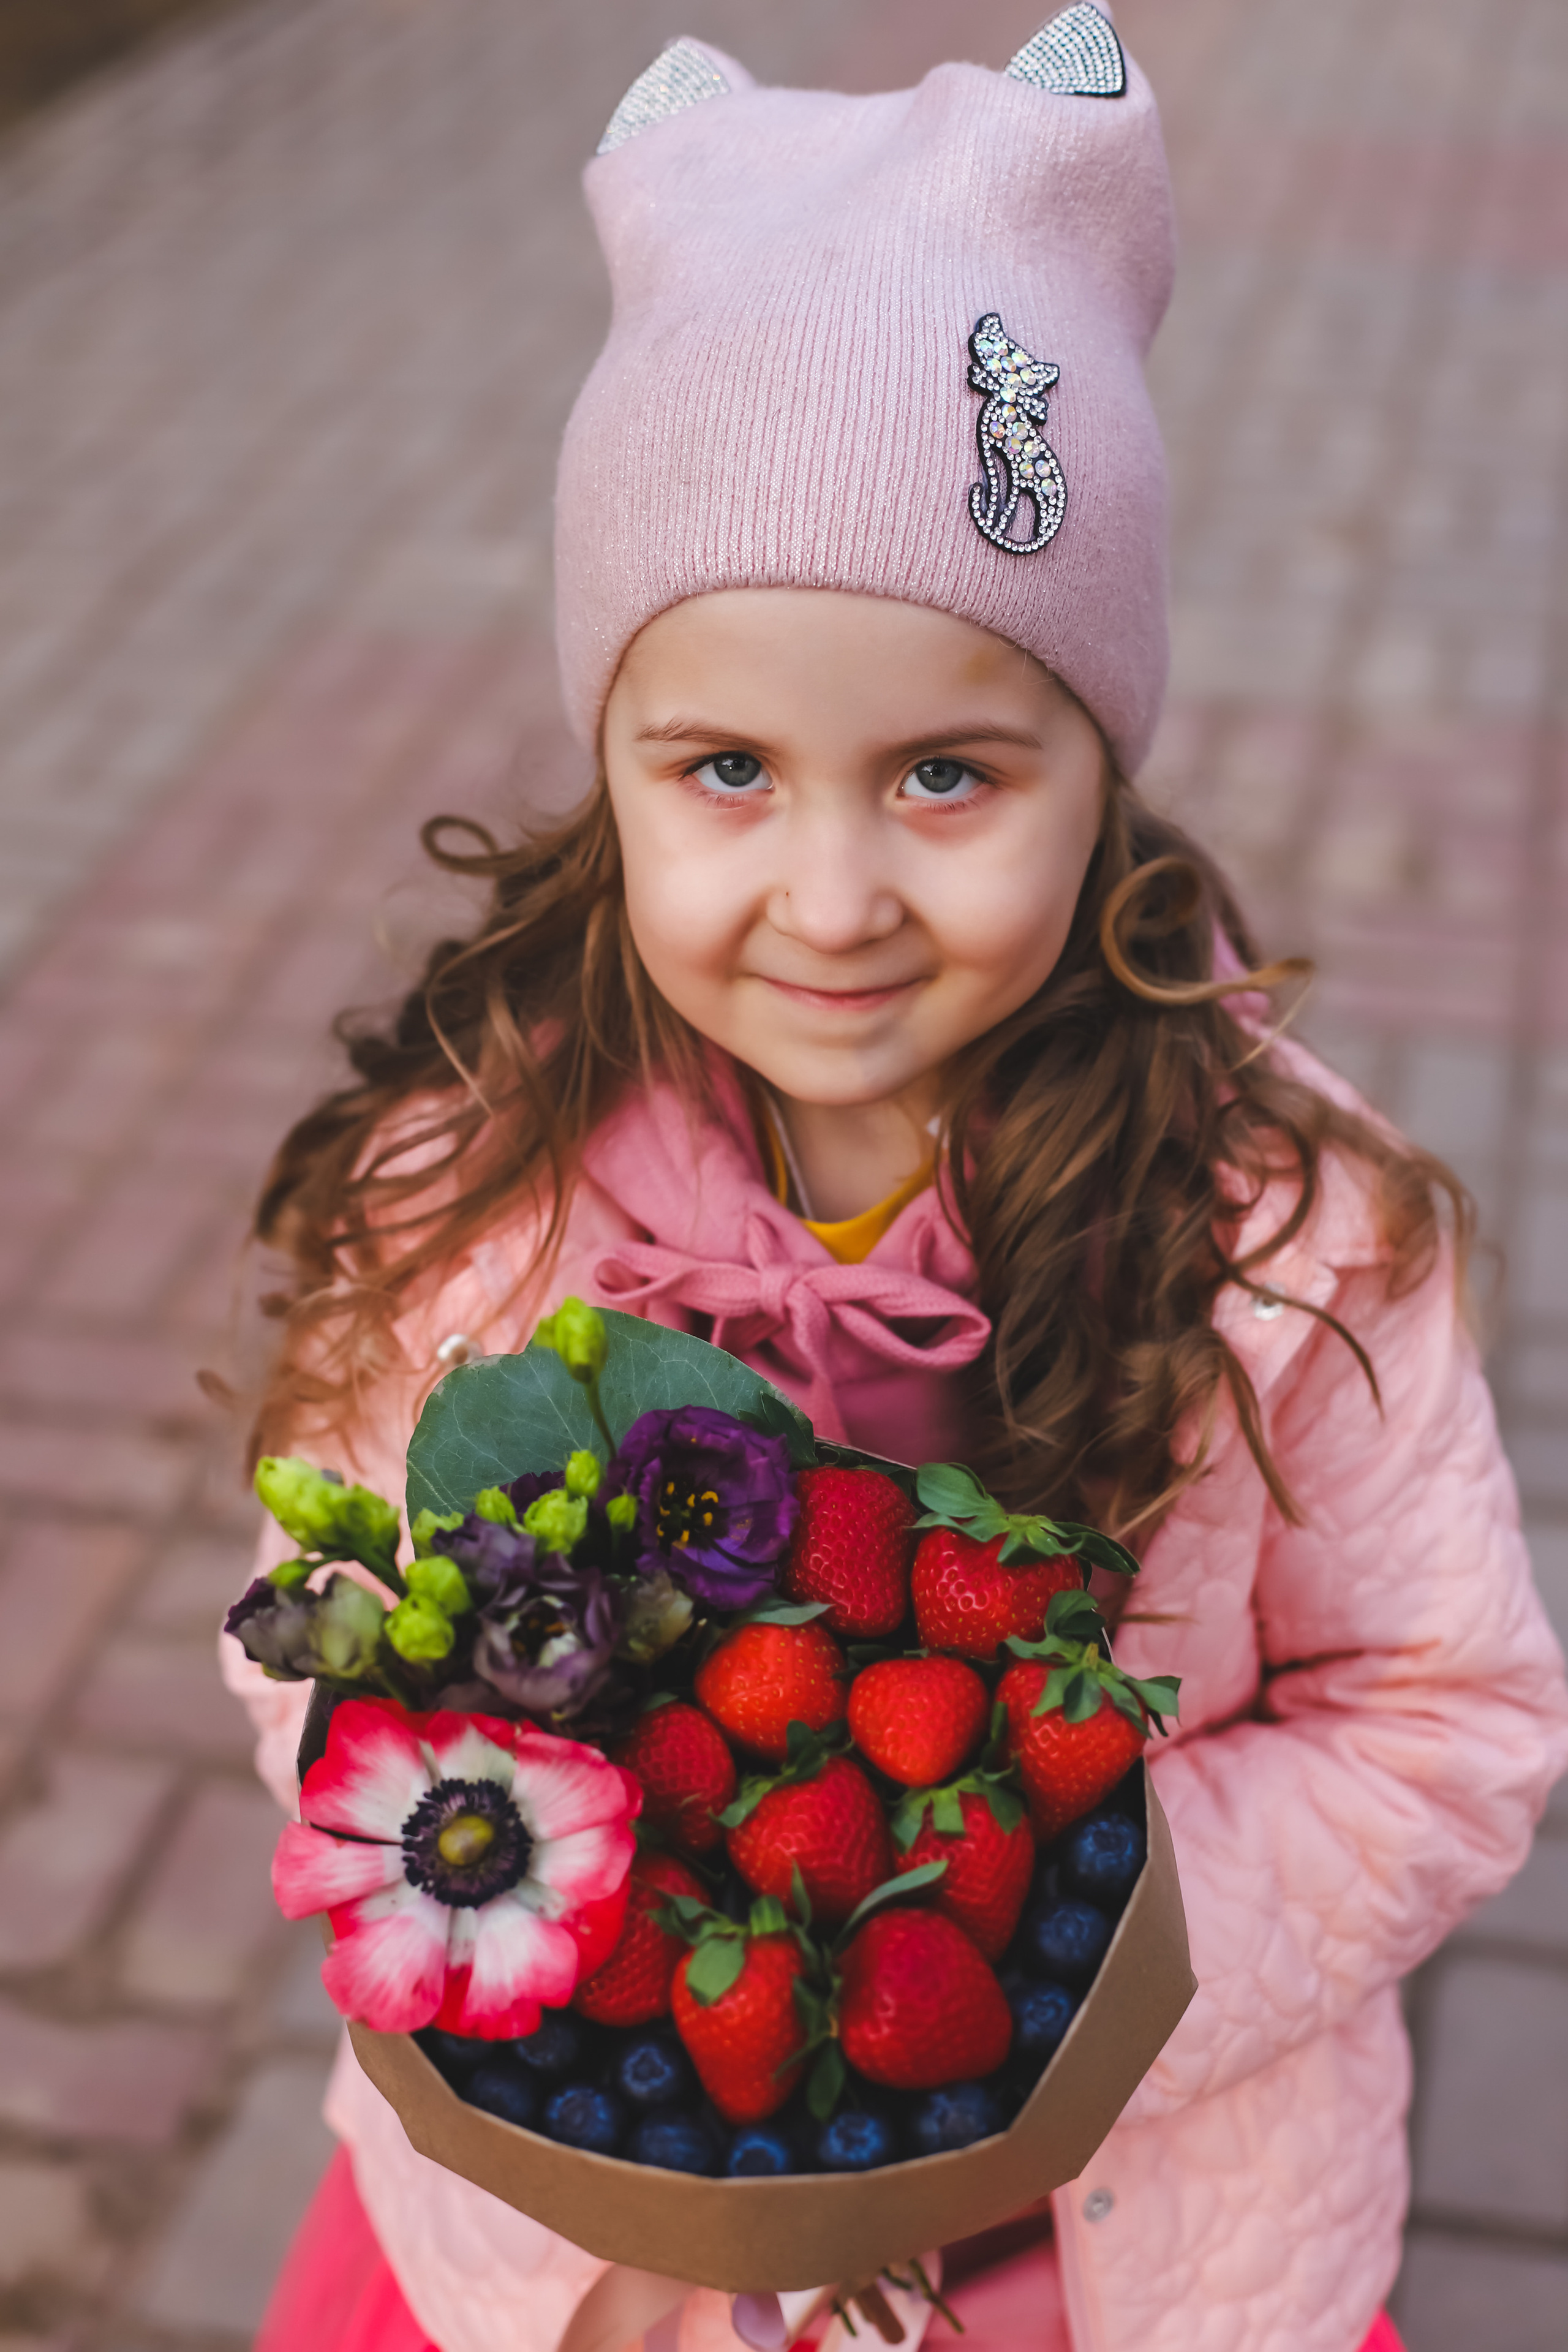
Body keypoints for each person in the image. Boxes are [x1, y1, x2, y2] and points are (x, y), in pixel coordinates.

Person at [225, 16, 1568, 2352]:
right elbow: (322, 1640)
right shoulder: (476, 1199)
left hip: (1128, 2245)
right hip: (591, 2250)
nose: (834, 900)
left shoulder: (1286, 1233)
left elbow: (1441, 1724)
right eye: (728, 769)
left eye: (948, 773)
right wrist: (577, 1935)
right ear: (615, 763)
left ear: (1100, 762)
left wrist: (1038, 1941)